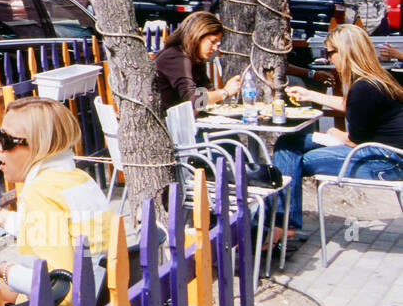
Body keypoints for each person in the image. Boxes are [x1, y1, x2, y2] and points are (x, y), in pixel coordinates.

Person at [0, 96, 114, 306]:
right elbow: (50, 230)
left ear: (38, 145)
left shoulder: (40, 193)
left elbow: (62, 289)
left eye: (6, 139)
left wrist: (0, 266)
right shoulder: (77, 180)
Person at [273, 24, 403, 234]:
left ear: (346, 52)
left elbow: (354, 141)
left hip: (384, 161)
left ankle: (283, 227)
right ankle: (285, 226)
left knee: (295, 160)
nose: (328, 58)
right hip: (387, 154)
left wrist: (334, 134)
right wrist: (311, 95)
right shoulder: (375, 79)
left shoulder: (363, 88)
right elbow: (350, 104)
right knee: (287, 143)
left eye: (330, 52)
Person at [153, 12, 242, 111]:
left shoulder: (193, 58)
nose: (215, 48)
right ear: (197, 36)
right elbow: (193, 100)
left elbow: (208, 91)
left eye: (217, 43)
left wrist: (217, 96)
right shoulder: (176, 57)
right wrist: (225, 92)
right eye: (212, 42)